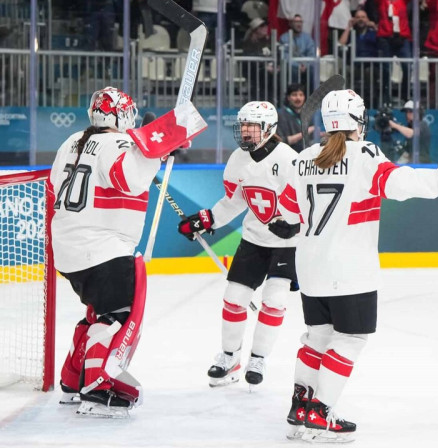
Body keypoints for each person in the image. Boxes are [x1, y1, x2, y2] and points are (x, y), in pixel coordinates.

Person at [271, 89, 438, 442]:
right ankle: (321, 412)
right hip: (350, 269)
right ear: (359, 121)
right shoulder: (365, 155)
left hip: (310, 267)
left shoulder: (304, 157)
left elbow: (286, 212)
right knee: (351, 339)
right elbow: (398, 183)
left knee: (318, 338)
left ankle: (301, 406)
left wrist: (283, 220)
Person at [50, 87, 169, 417]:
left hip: (69, 246)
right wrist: (153, 152)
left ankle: (72, 380)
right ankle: (97, 387)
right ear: (120, 116)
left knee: (96, 313)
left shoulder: (71, 141)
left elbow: (52, 186)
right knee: (116, 315)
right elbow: (128, 180)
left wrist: (150, 150)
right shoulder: (117, 142)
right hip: (102, 246)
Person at [177, 101, 299, 388]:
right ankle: (230, 357)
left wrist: (296, 224)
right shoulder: (237, 160)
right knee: (234, 298)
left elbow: (308, 203)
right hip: (253, 239)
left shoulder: (289, 159)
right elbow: (233, 202)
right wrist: (206, 219)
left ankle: (258, 358)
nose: (245, 133)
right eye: (243, 127)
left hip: (287, 244)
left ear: (268, 129)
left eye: (252, 128)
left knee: (274, 301)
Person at [279, 15, 317, 85]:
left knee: (312, 70)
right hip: (291, 65)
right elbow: (285, 55)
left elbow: (312, 53)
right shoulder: (284, 37)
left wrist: (305, 65)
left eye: (300, 22)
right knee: (293, 70)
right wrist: (297, 65)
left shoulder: (307, 38)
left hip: (305, 65)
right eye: (296, 22)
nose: (299, 24)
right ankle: (294, 94)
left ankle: (312, 95)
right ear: (291, 24)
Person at [277, 84, 313, 153]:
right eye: (294, 95)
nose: (298, 98)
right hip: (289, 155)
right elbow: (282, 141)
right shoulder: (281, 115)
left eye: (301, 95)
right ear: (288, 97)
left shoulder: (308, 114)